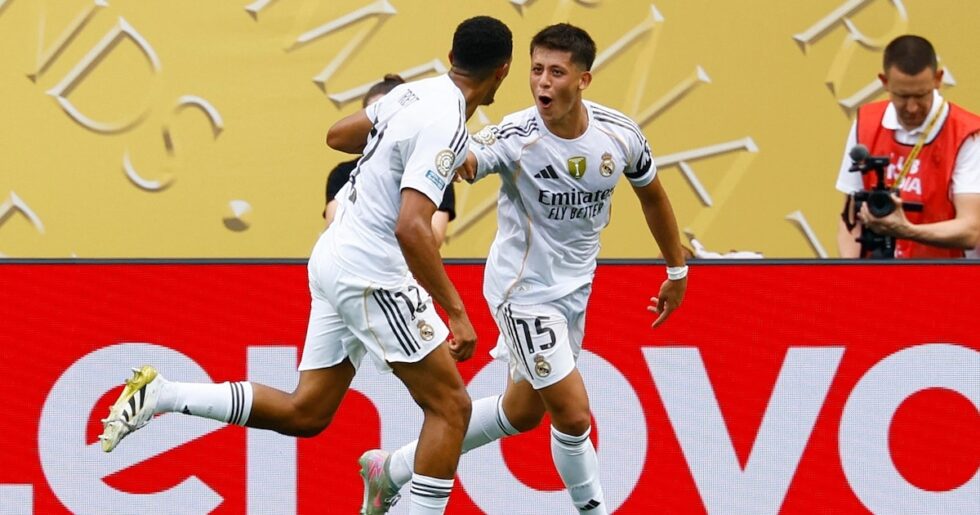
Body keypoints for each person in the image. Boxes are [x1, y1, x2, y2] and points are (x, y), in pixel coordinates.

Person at [98, 15, 512, 515]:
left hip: (334, 256)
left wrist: (400, 140)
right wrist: (457, 312)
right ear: (503, 71)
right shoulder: (445, 120)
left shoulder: (410, 95)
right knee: (452, 407)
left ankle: (162, 394)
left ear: (451, 57)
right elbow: (412, 228)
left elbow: (338, 135)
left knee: (307, 411)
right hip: (370, 274)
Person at [358, 23, 688, 515]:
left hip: (574, 290)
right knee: (574, 416)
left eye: (556, 72)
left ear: (583, 80)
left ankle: (391, 468)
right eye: (536, 70)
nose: (542, 82)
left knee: (521, 411)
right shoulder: (514, 136)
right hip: (522, 292)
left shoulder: (619, 135)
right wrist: (441, 145)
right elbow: (467, 158)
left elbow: (653, 198)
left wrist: (677, 273)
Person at [836, 34, 980, 258]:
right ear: (884, 82)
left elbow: (971, 230)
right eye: (902, 96)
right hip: (877, 271)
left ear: (938, 79)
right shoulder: (866, 123)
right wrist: (852, 271)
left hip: (945, 271)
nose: (912, 107)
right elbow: (850, 219)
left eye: (921, 95)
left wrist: (906, 230)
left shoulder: (966, 133)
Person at [324, 74, 457, 246]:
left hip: (401, 261)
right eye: (377, 117)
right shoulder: (343, 173)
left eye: (392, 116)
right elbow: (334, 226)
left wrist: (407, 203)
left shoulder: (434, 171)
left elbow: (434, 240)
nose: (384, 126)